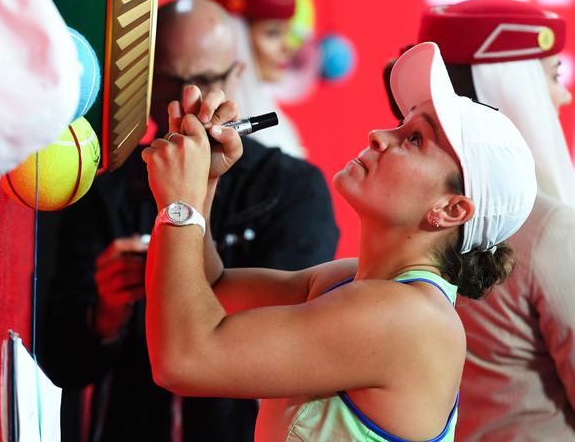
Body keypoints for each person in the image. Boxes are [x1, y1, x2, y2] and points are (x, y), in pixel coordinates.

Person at [140, 41, 537, 441]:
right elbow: (211, 291)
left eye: (415, 139)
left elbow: (183, 360)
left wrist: (181, 202)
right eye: (401, 123)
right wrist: (204, 183)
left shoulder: (409, 318)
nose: (380, 135)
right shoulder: (352, 284)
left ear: (452, 210)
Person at [39, 0, 339, 442]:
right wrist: (105, 315)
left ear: (237, 76)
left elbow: (279, 341)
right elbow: (57, 360)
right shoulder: (106, 186)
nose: (186, 98)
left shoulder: (292, 189)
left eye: (202, 80)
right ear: (146, 81)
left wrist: (186, 218)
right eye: (170, 80)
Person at [406, 0, 575, 440]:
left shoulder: (404, 211)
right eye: (553, 77)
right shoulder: (547, 228)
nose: (564, 93)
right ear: (514, 88)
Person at [204, 0, 307, 158]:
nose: (288, 48)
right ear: (236, 38)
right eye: (273, 33)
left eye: (288, 33)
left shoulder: (272, 111)